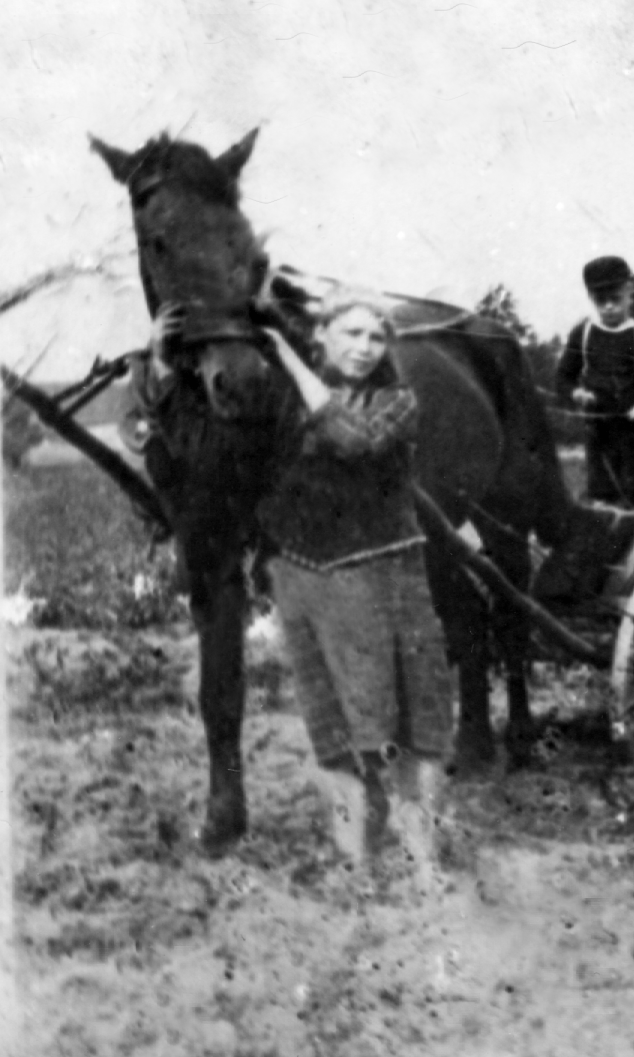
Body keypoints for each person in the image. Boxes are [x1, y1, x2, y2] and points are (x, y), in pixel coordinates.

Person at [144, 296, 455, 879]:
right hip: (303, 579)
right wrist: (162, 364)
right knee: (333, 730)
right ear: (325, 336)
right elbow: (201, 446)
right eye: (351, 334)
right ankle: (354, 865)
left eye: (375, 338)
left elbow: (350, 435)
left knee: (409, 725)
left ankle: (423, 869)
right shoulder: (282, 398)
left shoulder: (396, 401)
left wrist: (285, 349)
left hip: (380, 577)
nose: (364, 348)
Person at [553, 255, 634, 506]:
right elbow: (563, 378)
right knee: (603, 503)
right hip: (600, 439)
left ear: (629, 292)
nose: (608, 307)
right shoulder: (583, 334)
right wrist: (577, 394)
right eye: (600, 301)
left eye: (615, 299)